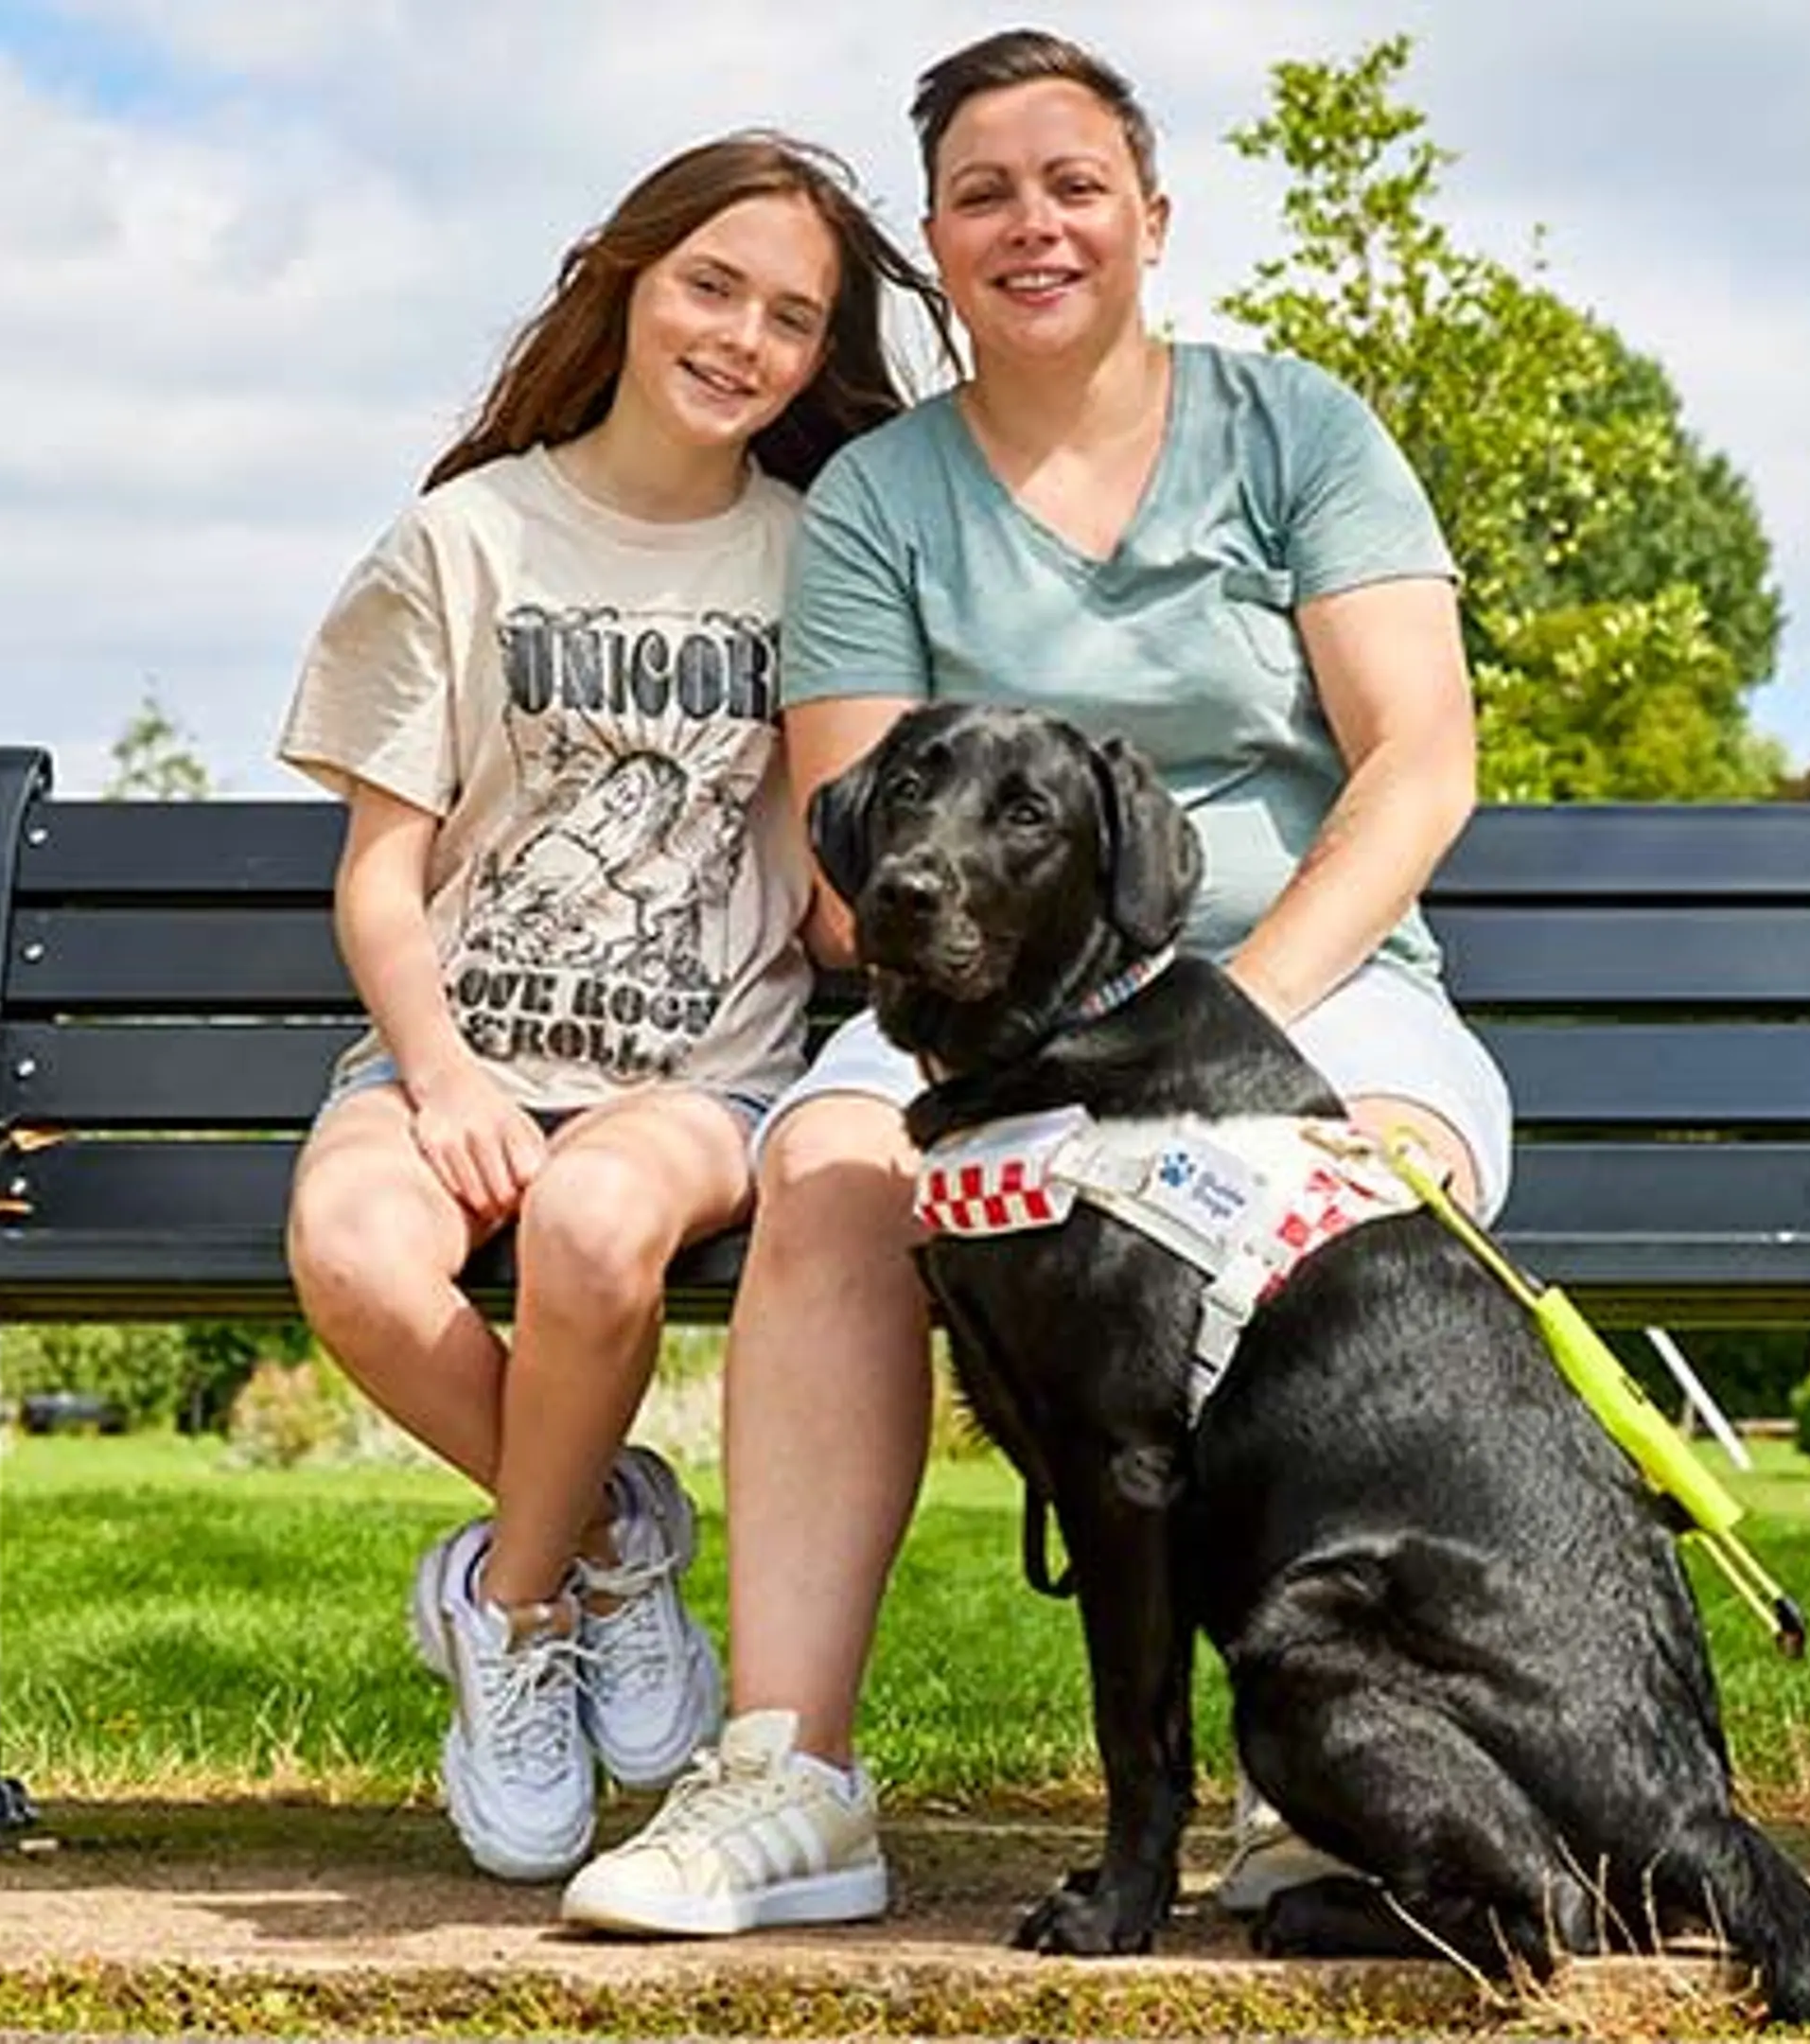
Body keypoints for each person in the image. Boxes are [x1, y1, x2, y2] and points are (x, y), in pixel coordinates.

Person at [561, 29, 1510, 1938]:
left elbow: (1419, 761)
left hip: (1309, 992)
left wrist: (1235, 1023)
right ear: (937, 237)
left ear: (1150, 216)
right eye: (984, 192)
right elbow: (859, 845)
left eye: (1073, 182)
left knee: (1368, 1175)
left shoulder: (1298, 431)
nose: (1034, 221)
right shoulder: (883, 500)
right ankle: (787, 1778)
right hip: (984, 1025)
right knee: (831, 1179)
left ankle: (1316, 1775)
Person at [274, 131, 940, 1886]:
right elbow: (377, 874)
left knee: (588, 1223)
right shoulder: (460, 539)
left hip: (701, 1076)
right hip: (448, 1052)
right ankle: (609, 1540)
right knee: (348, 1249)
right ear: (623, 280)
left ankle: (507, 1601)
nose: (743, 338)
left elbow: (818, 879)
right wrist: (438, 1080)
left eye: (793, 317)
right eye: (711, 285)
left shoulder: (826, 555)